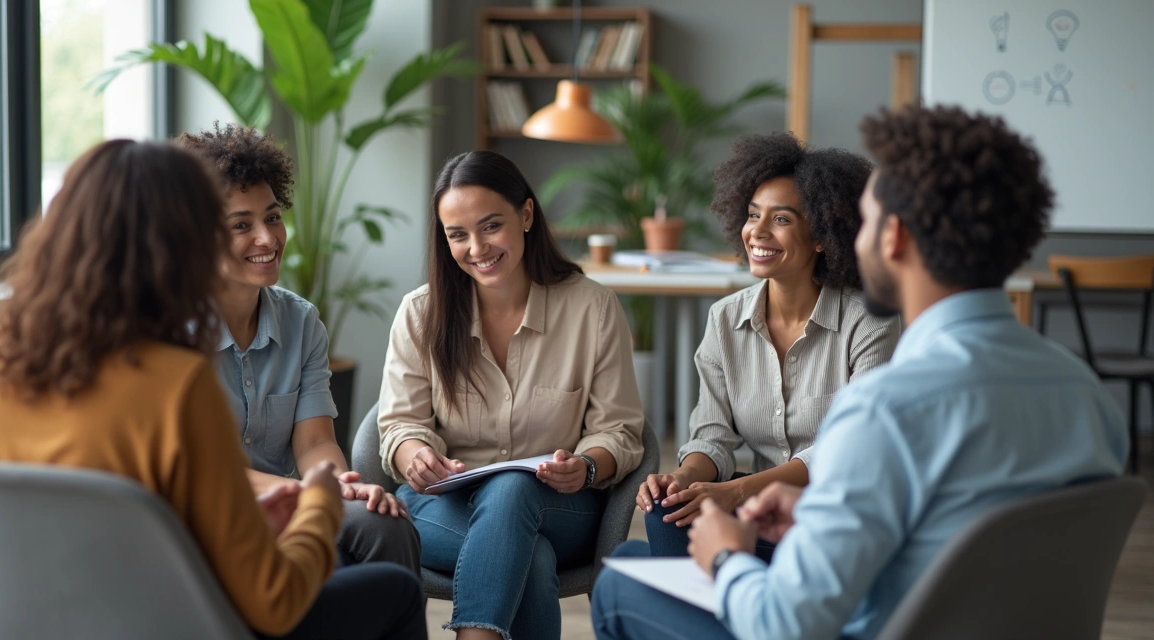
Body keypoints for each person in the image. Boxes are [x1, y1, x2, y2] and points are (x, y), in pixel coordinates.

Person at [591, 105, 1129, 640]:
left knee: (623, 584)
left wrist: (728, 558)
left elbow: (785, 625)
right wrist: (815, 508)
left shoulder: (885, 409)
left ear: (892, 238)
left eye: (864, 221)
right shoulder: (1087, 394)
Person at [0, 139, 427, 640]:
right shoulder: (175, 381)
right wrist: (319, 504)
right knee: (395, 590)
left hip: (16, 621)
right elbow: (274, 603)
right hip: (156, 621)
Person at [378, 150, 646, 640]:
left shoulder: (593, 309)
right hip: (447, 508)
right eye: (457, 235)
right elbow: (399, 424)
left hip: (561, 506)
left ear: (525, 215)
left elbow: (620, 431)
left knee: (514, 489)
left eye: (490, 226)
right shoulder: (420, 313)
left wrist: (585, 466)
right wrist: (414, 454)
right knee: (530, 554)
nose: (476, 247)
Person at [635, 133, 900, 560]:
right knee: (668, 512)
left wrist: (735, 491)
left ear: (821, 235)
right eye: (753, 214)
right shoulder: (724, 319)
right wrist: (684, 479)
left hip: (840, 519)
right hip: (760, 515)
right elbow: (712, 436)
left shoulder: (868, 321)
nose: (757, 232)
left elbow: (850, 447)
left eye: (781, 219)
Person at [179, 123, 420, 572]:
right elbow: (200, 470)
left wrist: (340, 484)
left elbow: (314, 444)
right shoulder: (172, 333)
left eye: (272, 217)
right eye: (241, 225)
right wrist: (310, 495)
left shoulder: (301, 320)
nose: (268, 239)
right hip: (203, 516)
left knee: (384, 524)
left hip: (289, 504)